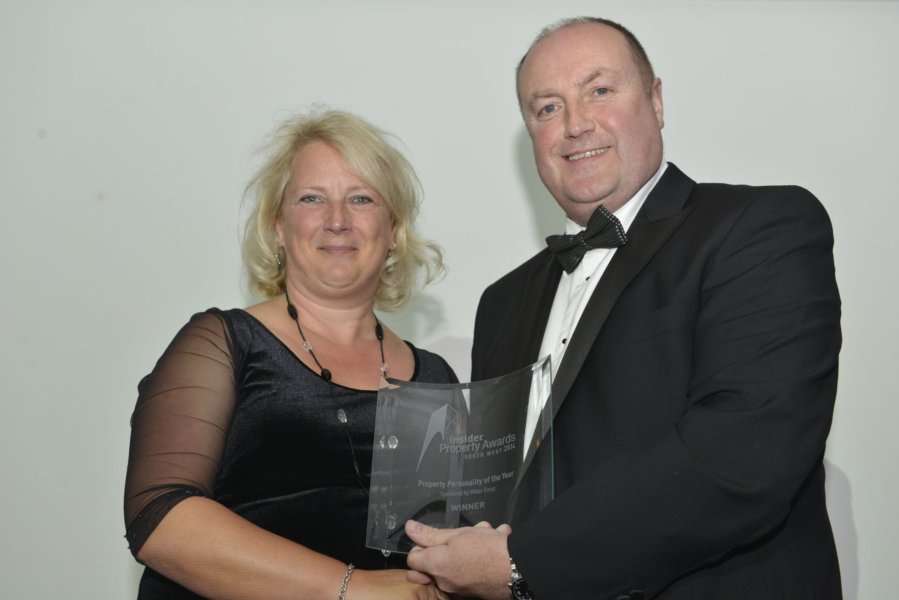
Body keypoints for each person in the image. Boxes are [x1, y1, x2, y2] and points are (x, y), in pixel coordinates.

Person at [404, 17, 842, 600]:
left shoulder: (760, 228)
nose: (575, 124)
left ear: (656, 101)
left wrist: (521, 563)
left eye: (600, 90)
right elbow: (498, 488)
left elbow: (744, 452)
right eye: (547, 108)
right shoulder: (502, 302)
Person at [124, 110, 456, 600]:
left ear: (393, 231)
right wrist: (354, 590)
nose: (337, 220)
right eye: (312, 198)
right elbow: (159, 516)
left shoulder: (435, 377)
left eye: (361, 198)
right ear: (278, 227)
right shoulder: (222, 343)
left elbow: (445, 543)